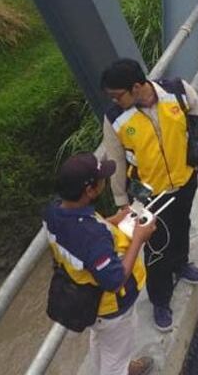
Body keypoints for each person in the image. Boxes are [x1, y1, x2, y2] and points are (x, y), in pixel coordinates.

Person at [100, 60, 198, 333]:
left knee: (182, 223)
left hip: (185, 180)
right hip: (151, 194)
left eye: (118, 95)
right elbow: (115, 161)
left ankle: (181, 263)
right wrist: (122, 203)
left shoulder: (177, 91)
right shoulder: (115, 118)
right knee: (156, 246)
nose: (114, 101)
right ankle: (160, 300)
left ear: (137, 87)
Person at [44, 153, 155, 375]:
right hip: (112, 306)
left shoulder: (54, 212)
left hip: (90, 302)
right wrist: (139, 238)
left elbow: (79, 236)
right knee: (116, 357)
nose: (105, 180)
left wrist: (112, 221)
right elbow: (114, 280)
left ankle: (112, 366)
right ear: (90, 191)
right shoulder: (91, 237)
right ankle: (120, 368)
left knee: (102, 341)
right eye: (101, 178)